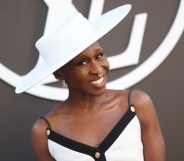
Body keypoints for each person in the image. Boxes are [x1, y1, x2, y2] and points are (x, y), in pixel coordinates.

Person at [15, 3, 165, 161]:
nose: (98, 69)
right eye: (82, 63)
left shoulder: (137, 104)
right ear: (60, 74)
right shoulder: (44, 131)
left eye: (99, 56)